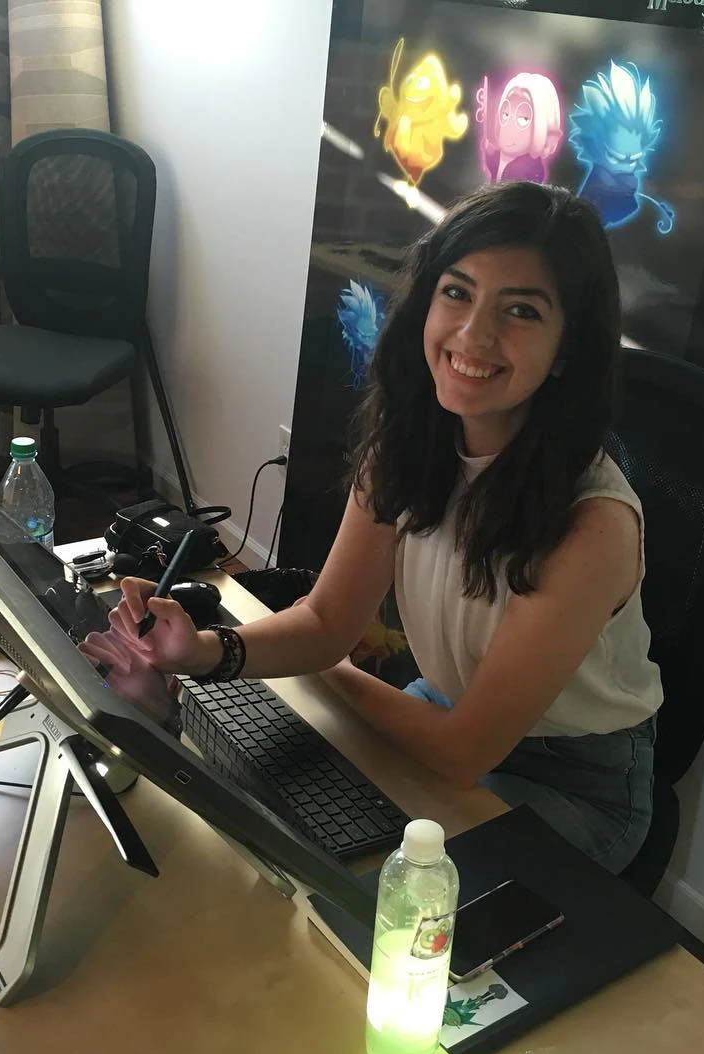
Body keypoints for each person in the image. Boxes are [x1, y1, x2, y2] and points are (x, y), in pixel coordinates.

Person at [83, 181, 663, 874]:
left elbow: (461, 751)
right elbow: (327, 618)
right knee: (274, 832)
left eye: (521, 311)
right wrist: (204, 651)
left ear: (567, 348)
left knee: (378, 897)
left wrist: (332, 673)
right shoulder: (408, 448)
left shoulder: (591, 525)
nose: (473, 334)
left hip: (568, 781)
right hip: (440, 710)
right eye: (457, 293)